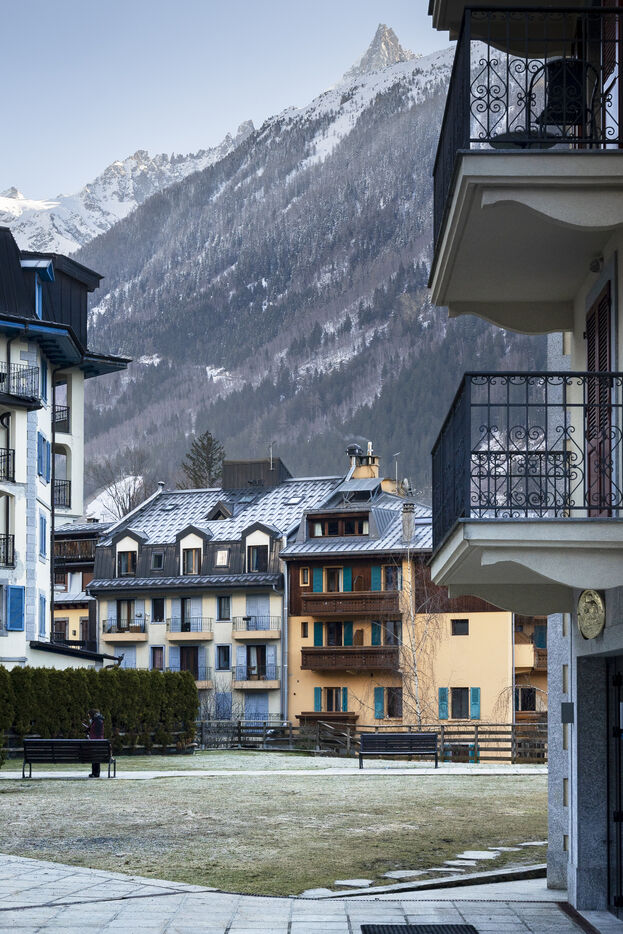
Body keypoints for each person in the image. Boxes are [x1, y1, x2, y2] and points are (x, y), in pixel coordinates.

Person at [86, 708, 105, 778]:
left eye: (89, 715)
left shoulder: (97, 721)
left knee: (95, 756)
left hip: (96, 741)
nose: (89, 717)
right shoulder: (98, 720)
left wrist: (90, 729)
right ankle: (95, 772)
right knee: (95, 757)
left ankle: (96, 773)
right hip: (97, 741)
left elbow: (96, 731)